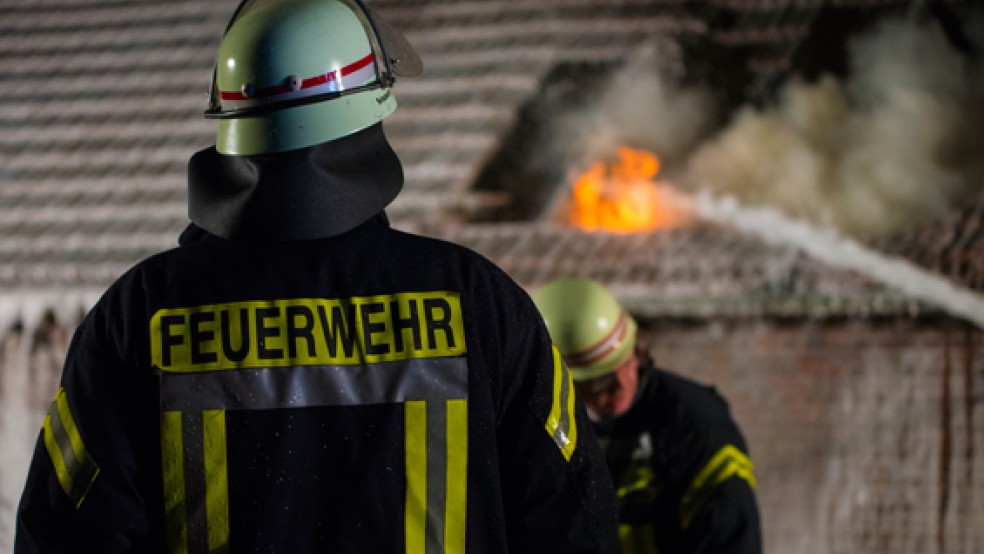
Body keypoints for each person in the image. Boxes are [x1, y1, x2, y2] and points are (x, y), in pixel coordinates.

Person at [14, 1, 618, 552]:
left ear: (230, 124)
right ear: (368, 115)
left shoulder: (138, 313)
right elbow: (575, 525)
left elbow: (65, 538)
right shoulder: (478, 300)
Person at [533, 276, 762, 554]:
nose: (622, 383)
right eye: (601, 379)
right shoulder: (540, 432)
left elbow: (732, 538)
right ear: (561, 380)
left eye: (626, 360)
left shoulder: (696, 423)